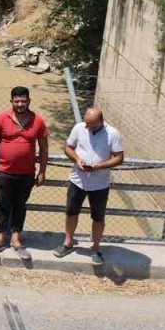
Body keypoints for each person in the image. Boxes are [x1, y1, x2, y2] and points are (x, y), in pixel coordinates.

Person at [0, 86, 49, 260]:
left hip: (27, 173)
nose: (20, 104)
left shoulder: (38, 121)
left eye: (23, 101)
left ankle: (15, 238)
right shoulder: (1, 118)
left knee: (20, 205)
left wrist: (42, 171)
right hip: (3, 171)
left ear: (29, 101)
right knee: (3, 204)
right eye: (17, 101)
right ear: (11, 101)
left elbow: (43, 149)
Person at [55, 108, 124, 267]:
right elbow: (68, 148)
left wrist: (101, 166)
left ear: (101, 121)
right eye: (87, 124)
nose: (88, 128)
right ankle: (68, 242)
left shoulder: (113, 133)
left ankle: (96, 247)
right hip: (77, 180)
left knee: (98, 216)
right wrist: (77, 160)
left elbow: (119, 158)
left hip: (100, 184)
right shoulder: (79, 128)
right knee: (71, 211)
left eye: (92, 125)